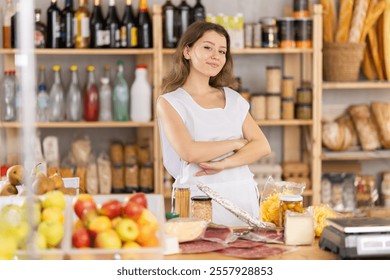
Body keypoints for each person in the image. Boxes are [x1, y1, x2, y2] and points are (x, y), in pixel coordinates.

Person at [157, 21, 271, 226]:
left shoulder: (234, 99)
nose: (216, 56)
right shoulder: (170, 102)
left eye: (222, 51)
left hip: (242, 196)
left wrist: (223, 164)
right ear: (187, 51)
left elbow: (262, 146)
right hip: (197, 199)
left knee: (246, 254)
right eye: (207, 47)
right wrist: (236, 143)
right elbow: (189, 152)